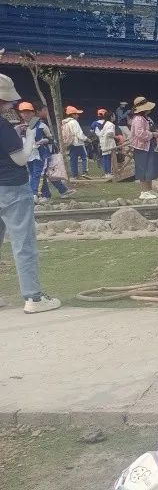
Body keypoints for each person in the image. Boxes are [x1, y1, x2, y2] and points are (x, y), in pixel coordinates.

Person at [0, 75, 61, 313]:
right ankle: (33, 298)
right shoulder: (3, 125)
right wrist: (29, 138)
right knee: (23, 242)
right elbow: (20, 158)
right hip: (12, 188)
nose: (11, 106)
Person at [20, 102, 71, 200]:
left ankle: (35, 194)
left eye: (28, 112)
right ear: (20, 114)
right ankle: (51, 193)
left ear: (33, 113)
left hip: (41, 154)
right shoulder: (21, 127)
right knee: (35, 174)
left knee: (38, 174)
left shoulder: (41, 125)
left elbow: (51, 139)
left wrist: (45, 141)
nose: (25, 114)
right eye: (23, 112)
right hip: (28, 155)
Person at [61, 105, 89, 179]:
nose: (78, 115)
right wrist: (86, 139)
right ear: (72, 114)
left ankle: (74, 175)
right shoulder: (74, 122)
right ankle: (84, 172)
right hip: (78, 143)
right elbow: (79, 134)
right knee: (84, 157)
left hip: (70, 143)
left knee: (73, 159)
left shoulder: (65, 122)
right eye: (76, 114)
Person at [91, 110, 117, 178]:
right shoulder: (111, 124)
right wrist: (116, 137)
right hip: (109, 143)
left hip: (104, 143)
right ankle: (108, 173)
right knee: (108, 158)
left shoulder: (105, 124)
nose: (115, 117)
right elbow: (109, 133)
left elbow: (100, 134)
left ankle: (106, 173)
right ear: (111, 117)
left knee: (105, 157)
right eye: (114, 116)